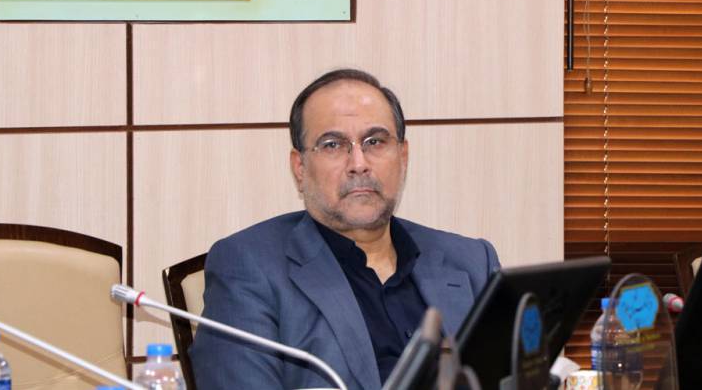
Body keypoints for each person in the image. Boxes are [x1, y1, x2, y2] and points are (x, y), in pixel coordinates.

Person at [189, 68, 500, 390]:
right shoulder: (248, 266)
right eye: (333, 145)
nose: (359, 163)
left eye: (375, 141)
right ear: (300, 167)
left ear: (403, 156)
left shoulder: (472, 261)